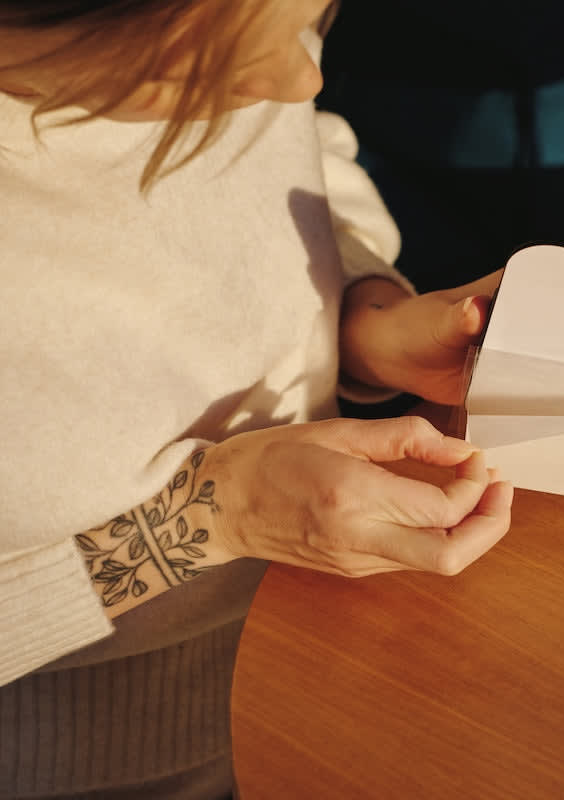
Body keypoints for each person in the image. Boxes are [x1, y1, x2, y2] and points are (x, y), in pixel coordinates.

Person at [0, 1, 514, 796]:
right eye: (202, 67)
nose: (299, 78)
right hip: (91, 765)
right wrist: (216, 516)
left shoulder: (232, 24)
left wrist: (364, 318)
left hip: (350, 655)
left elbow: (298, 161)